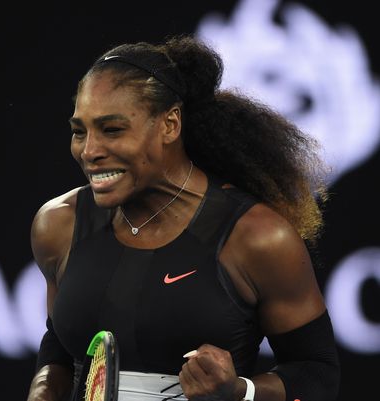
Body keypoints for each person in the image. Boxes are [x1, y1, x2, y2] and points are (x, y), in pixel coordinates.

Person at [26, 34, 340, 401]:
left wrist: (238, 390)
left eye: (112, 130)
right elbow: (61, 350)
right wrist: (44, 387)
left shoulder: (257, 237)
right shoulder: (57, 225)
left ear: (170, 124)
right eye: (79, 131)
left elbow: (317, 374)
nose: (89, 151)